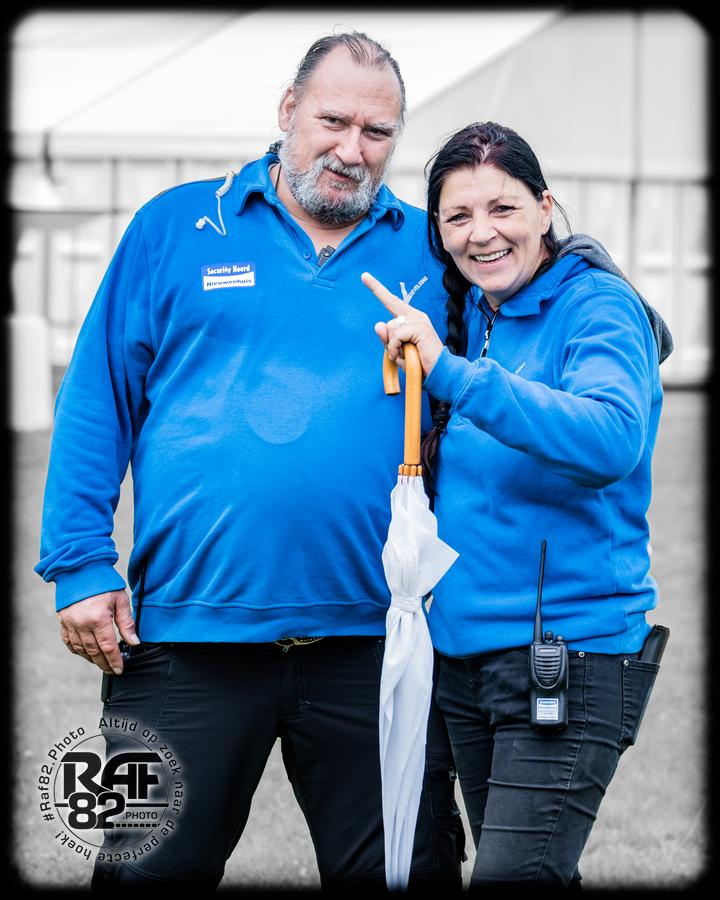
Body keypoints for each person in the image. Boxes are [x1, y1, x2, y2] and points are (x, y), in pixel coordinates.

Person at [34, 32, 465, 892]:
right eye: (333, 121)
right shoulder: (174, 227)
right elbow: (96, 400)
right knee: (146, 872)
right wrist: (79, 564)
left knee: (408, 875)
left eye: (377, 132)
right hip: (185, 636)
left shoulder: (432, 250)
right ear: (287, 111)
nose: (352, 149)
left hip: (380, 638)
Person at [362, 121, 671, 889]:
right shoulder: (477, 313)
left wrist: (453, 375)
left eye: (502, 208)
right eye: (458, 216)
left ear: (544, 207)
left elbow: (612, 438)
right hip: (463, 659)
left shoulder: (597, 306)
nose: (482, 233)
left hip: (567, 657)